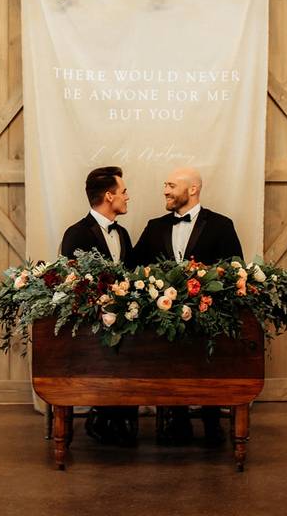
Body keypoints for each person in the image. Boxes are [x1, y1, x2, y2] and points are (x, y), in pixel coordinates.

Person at [133, 166, 243, 447]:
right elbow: (134, 269)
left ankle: (211, 422)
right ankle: (175, 422)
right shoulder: (154, 226)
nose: (165, 191)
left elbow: (235, 269)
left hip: (209, 319)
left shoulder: (221, 225)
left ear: (192, 189)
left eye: (171, 185)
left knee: (208, 368)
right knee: (171, 367)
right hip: (164, 320)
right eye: (165, 185)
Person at [60, 166, 137, 446]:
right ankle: (101, 416)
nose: (127, 197)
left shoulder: (124, 234)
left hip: (126, 326)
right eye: (124, 191)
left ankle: (121, 418)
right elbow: (72, 284)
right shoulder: (76, 234)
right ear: (109, 195)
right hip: (91, 330)